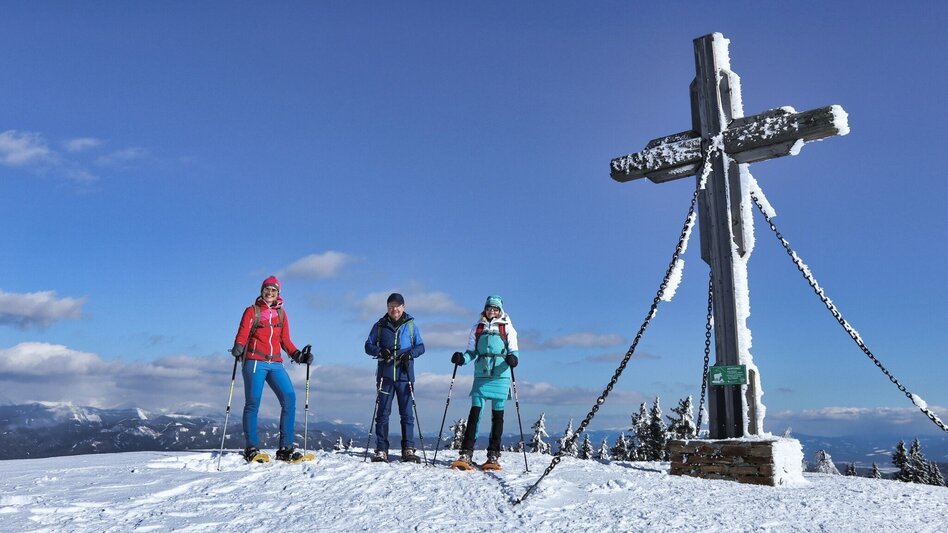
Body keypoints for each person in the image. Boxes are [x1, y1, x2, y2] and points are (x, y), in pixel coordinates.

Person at [231, 276, 313, 463]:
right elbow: (243, 333)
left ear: (278, 294)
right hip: (254, 361)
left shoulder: (282, 314)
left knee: (289, 397)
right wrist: (238, 346)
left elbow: (285, 341)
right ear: (262, 290)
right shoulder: (252, 311)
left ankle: (286, 448)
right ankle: (251, 447)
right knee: (253, 402)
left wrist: (298, 355)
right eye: (267, 289)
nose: (270, 293)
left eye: (274, 290)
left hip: (275, 362)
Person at [450, 295, 520, 470]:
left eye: (495, 309)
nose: (492, 311)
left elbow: (514, 352)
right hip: (481, 376)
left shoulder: (507, 328)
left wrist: (513, 359)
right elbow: (471, 353)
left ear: (500, 310)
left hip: (500, 376)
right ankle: (466, 454)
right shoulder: (477, 328)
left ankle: (493, 455)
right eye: (490, 308)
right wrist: (461, 359)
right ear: (485, 309)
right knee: (475, 415)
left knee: (497, 417)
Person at [364, 293, 425, 463]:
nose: (394, 309)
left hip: (405, 375)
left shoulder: (411, 326)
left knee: (407, 414)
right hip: (386, 374)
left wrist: (410, 354)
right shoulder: (380, 326)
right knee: (383, 413)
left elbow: (421, 347)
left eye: (397, 306)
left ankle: (408, 449)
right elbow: (368, 346)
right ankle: (381, 449)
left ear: (403, 307)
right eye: (391, 306)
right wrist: (379, 351)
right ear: (387, 308)